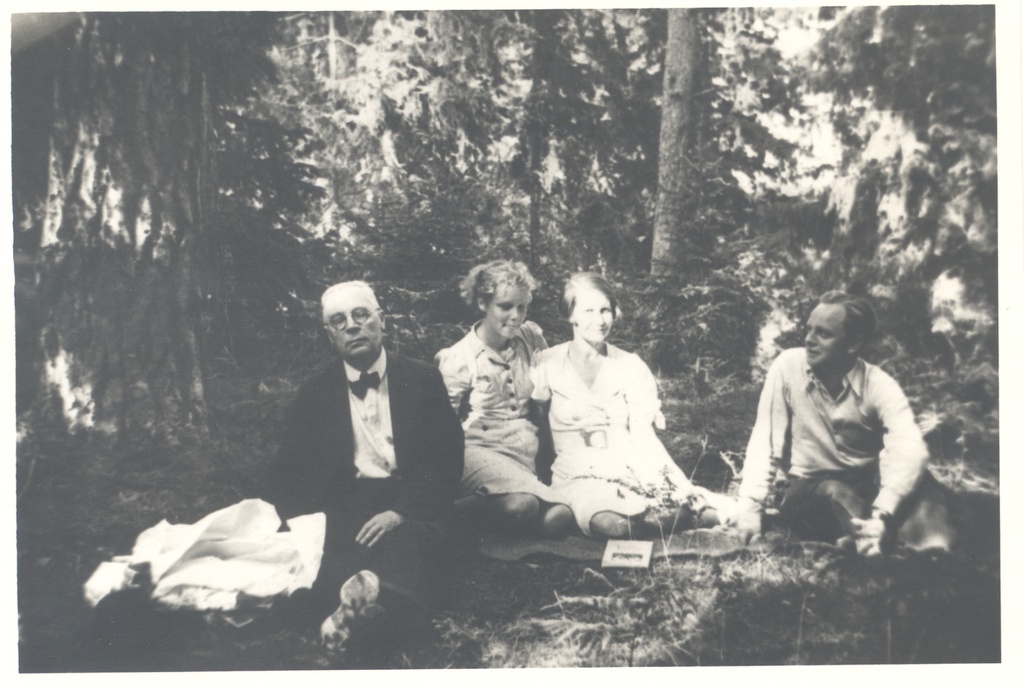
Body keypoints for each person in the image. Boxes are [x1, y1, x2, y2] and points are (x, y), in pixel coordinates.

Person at [259, 281, 465, 657]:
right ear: (329, 335)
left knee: (412, 544)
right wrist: (304, 522)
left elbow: (446, 460)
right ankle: (369, 608)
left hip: (409, 499)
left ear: (381, 321)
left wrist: (401, 511)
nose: (352, 326)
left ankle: (369, 607)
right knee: (335, 554)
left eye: (361, 315)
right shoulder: (316, 392)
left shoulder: (423, 379)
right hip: (348, 503)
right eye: (339, 321)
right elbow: (288, 470)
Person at [732, 290, 954, 555]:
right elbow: (766, 439)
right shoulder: (787, 366)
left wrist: (883, 512)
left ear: (852, 344)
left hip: (866, 488)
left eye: (823, 334)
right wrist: (750, 507)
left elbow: (910, 449)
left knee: (922, 484)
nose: (809, 340)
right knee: (832, 490)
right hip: (808, 492)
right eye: (809, 329)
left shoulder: (878, 384)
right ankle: (877, 545)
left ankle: (925, 552)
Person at [530, 272, 735, 539]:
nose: (599, 320)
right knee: (614, 525)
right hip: (576, 475)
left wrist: (678, 484)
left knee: (656, 511)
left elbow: (643, 436)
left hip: (627, 467)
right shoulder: (548, 363)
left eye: (606, 310)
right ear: (571, 315)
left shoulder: (629, 365)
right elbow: (538, 428)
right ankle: (680, 518)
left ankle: (705, 512)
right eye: (588, 310)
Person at [435, 260, 574, 537]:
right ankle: (441, 515)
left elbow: (551, 388)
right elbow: (442, 425)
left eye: (522, 307)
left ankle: (486, 516)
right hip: (480, 451)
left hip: (523, 451)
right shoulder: (459, 357)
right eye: (505, 306)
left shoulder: (530, 337)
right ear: (483, 303)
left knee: (559, 517)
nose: (516, 316)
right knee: (522, 506)